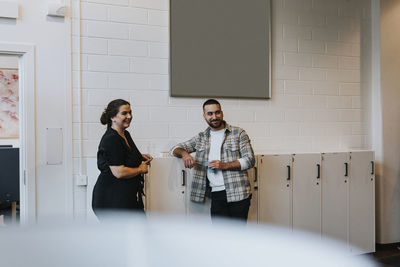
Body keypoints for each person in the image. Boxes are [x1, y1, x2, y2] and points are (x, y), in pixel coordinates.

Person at [171, 99, 255, 222]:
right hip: (216, 195)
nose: (214, 117)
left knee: (238, 238)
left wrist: (225, 165)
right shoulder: (201, 137)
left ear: (222, 113)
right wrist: (185, 154)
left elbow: (250, 160)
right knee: (219, 238)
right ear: (204, 116)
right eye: (210, 114)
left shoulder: (238, 133)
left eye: (217, 112)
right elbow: (174, 149)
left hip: (238, 193)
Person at [92, 99, 152, 219]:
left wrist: (140, 156)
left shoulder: (125, 134)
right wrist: (140, 169)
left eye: (130, 112)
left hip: (125, 196)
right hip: (110, 200)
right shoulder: (111, 139)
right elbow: (119, 172)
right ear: (113, 117)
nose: (129, 116)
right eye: (124, 113)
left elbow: (124, 153)